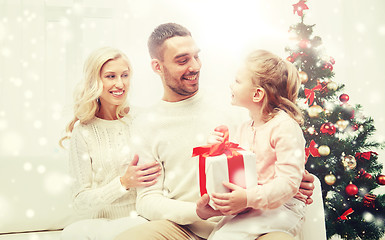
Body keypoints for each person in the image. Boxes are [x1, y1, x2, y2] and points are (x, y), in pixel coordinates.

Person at [115, 23, 314, 240]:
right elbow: (147, 200)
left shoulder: (237, 103)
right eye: (182, 60)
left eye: (196, 56)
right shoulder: (146, 124)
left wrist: (294, 182)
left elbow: (273, 153)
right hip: (184, 228)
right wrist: (197, 212)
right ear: (157, 66)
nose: (194, 66)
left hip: (249, 218)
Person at [198, 49, 307, 240]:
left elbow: (289, 183)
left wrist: (248, 198)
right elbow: (232, 169)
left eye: (238, 81)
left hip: (282, 208)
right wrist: (216, 147)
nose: (231, 85)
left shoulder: (285, 127)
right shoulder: (243, 128)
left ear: (257, 94)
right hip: (252, 206)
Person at [59, 46, 161, 240]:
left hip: (140, 219)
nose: (120, 84)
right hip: (99, 224)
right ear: (95, 81)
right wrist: (123, 183)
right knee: (71, 234)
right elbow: (80, 201)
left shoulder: (143, 119)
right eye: (111, 76)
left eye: (125, 75)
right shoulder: (83, 131)